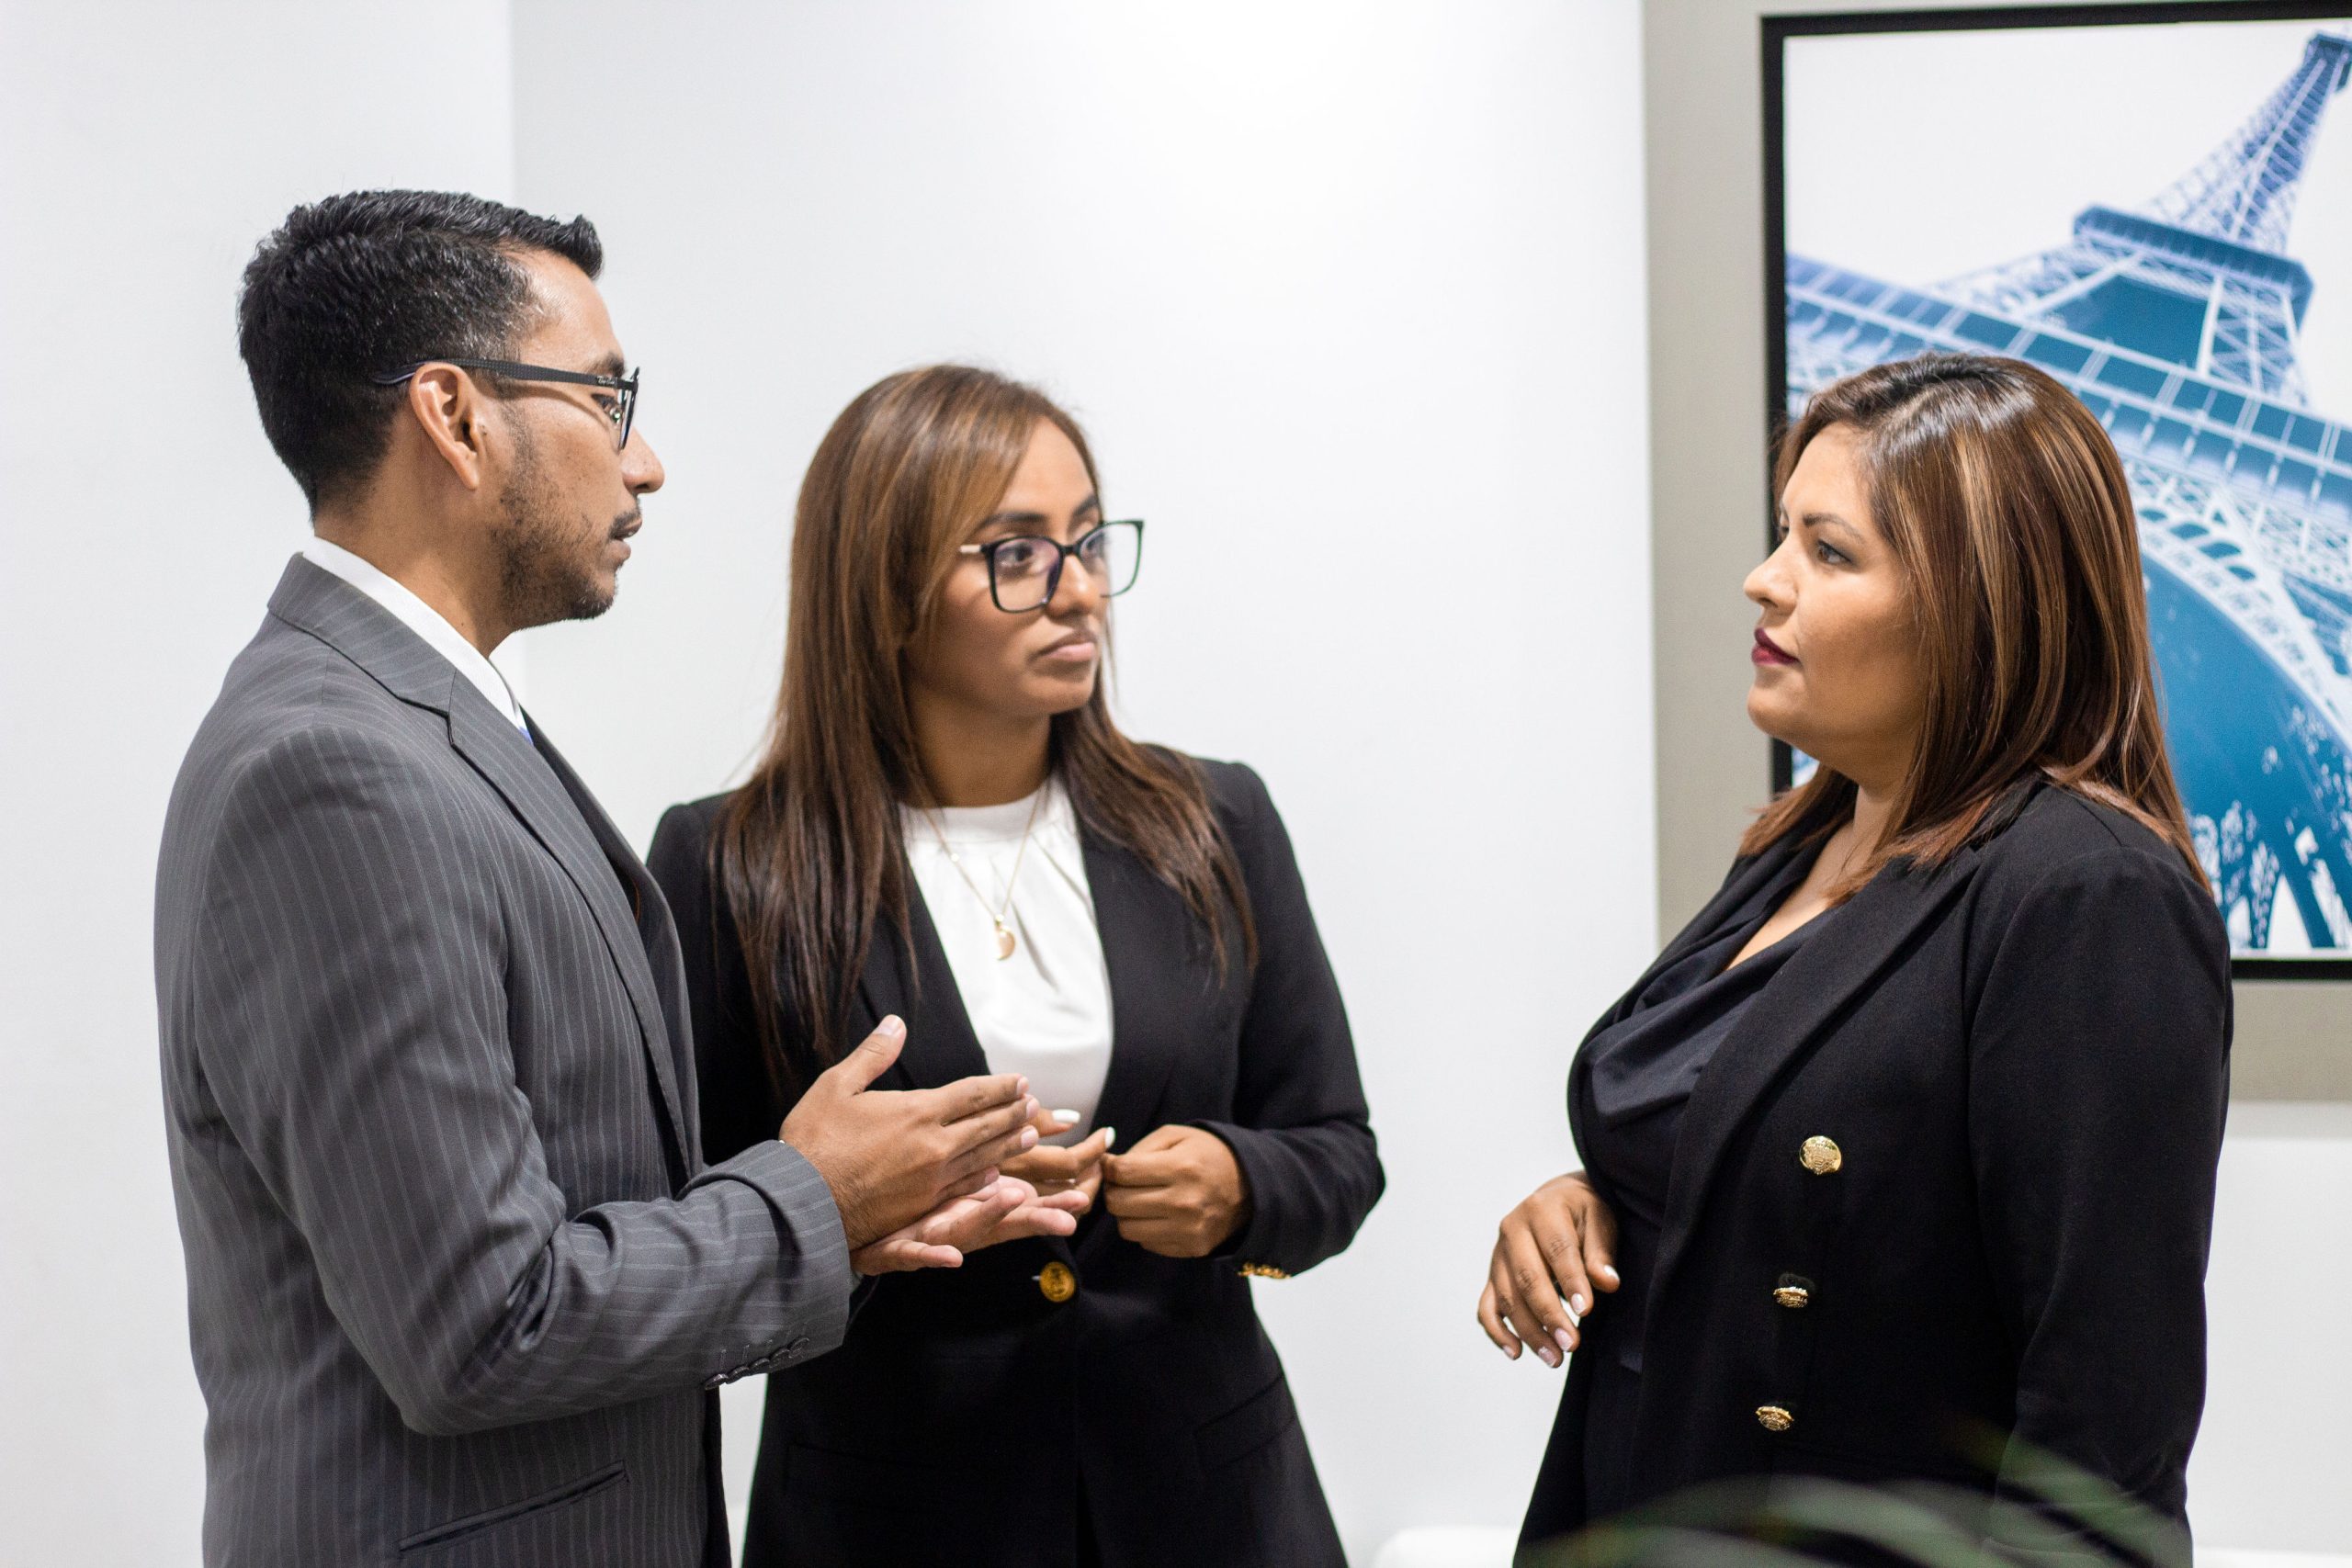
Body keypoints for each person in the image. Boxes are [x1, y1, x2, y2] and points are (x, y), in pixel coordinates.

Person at [155, 192, 1080, 1568]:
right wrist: (810, 1203)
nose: (645, 463)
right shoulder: (337, 769)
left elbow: (558, 1211)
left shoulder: (419, 722)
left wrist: (845, 1218)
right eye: (605, 397)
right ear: (455, 417)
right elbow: (482, 1322)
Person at [1485, 354, 2232, 1551]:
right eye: (1784, 534)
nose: (1763, 579)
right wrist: (1599, 1199)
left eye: (1828, 552)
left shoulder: (2087, 893)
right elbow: (1777, 1153)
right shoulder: (1808, 836)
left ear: (1979, 605)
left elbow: (2103, 1437)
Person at [649, 364, 1384, 1566]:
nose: (1079, 588)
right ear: (886, 588)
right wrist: (857, 1213)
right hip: (893, 1524)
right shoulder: (734, 866)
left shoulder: (1213, 823)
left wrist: (1238, 1187)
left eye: (1089, 542)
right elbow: (689, 1237)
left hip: (1210, 1512)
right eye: (1019, 554)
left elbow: (1339, 1153)